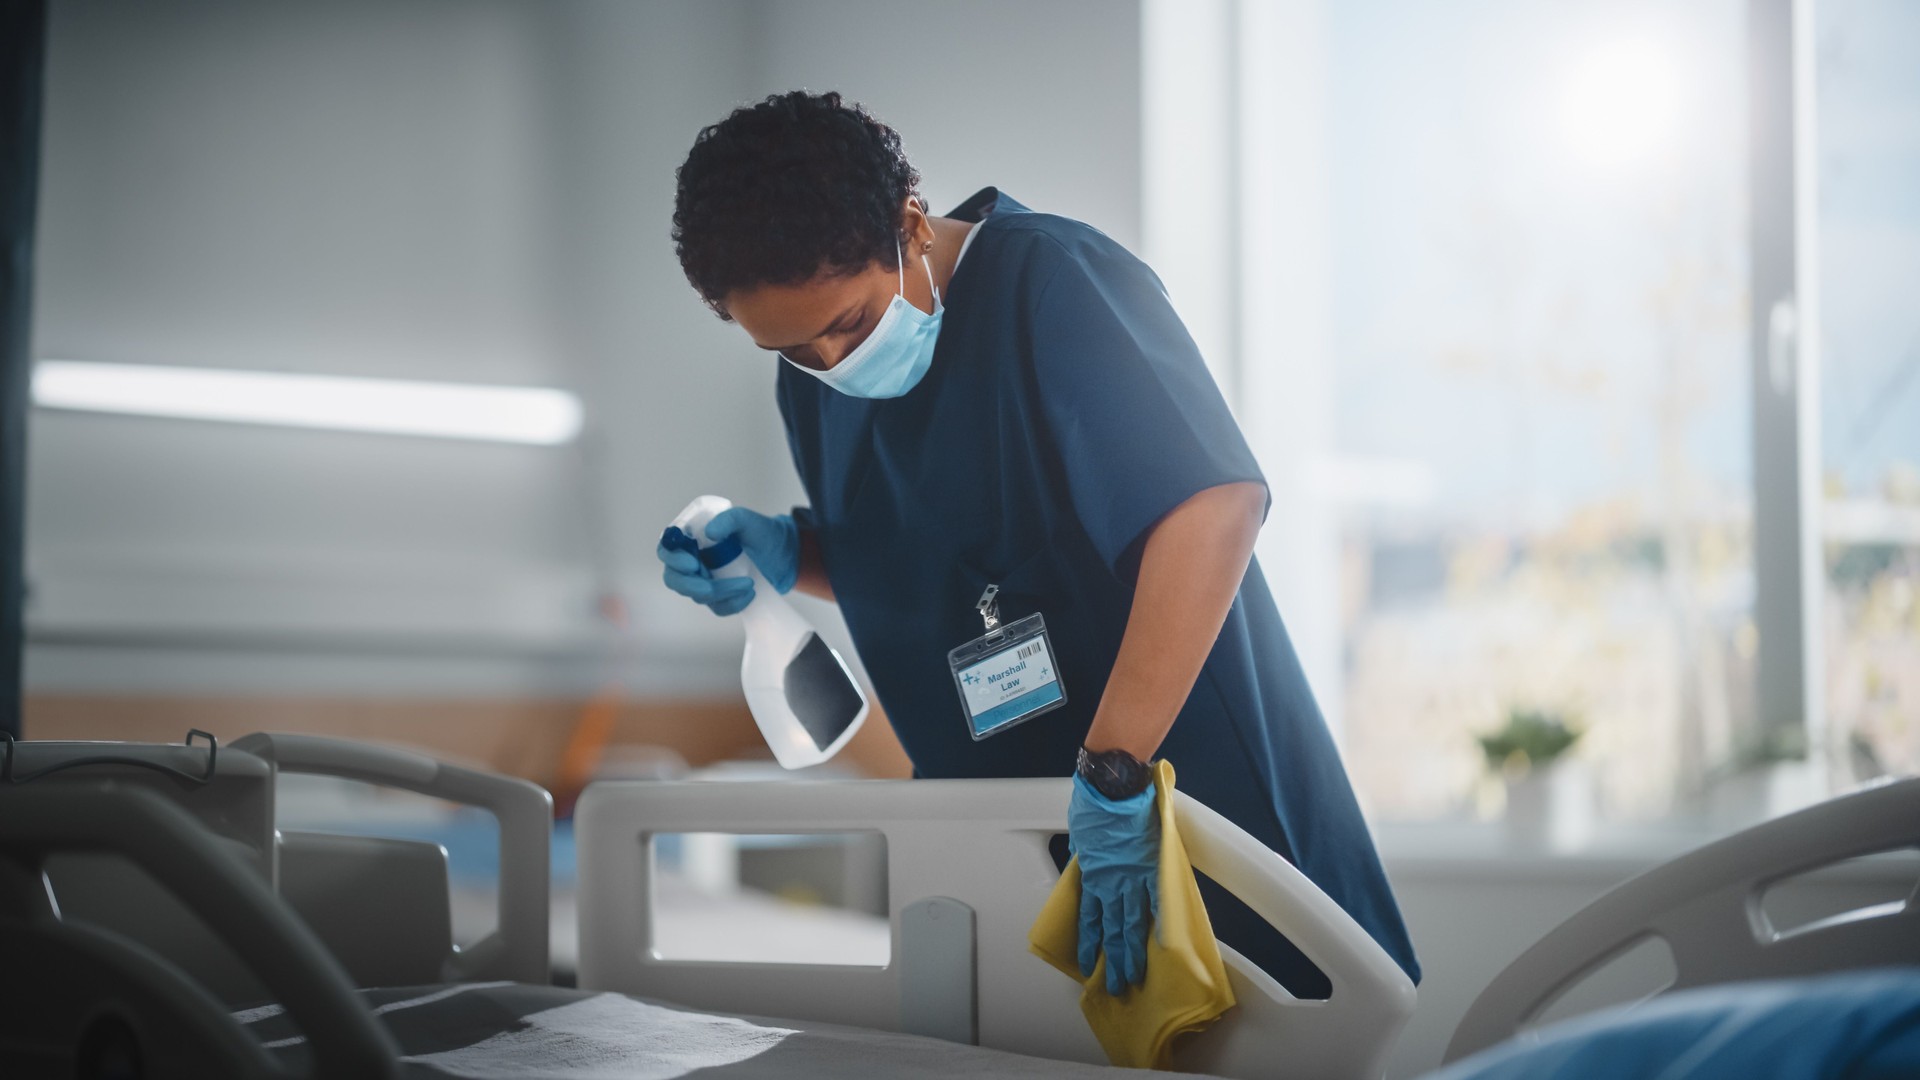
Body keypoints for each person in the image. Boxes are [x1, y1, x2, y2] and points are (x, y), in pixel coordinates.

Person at [659, 90, 1419, 998]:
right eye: (790, 349)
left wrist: (1115, 774)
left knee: (1274, 1023)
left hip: (1183, 802)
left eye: (850, 324)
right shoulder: (817, 387)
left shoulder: (1055, 282)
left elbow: (1209, 506)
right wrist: (791, 551)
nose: (830, 364)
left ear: (909, 223)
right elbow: (924, 562)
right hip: (1005, 835)